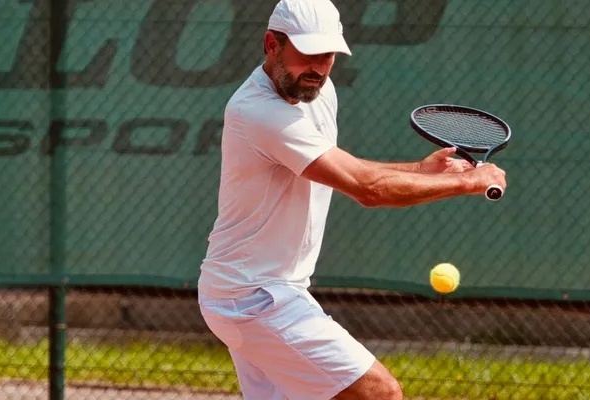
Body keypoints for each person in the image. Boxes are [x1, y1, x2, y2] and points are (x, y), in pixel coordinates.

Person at [197, 0, 507, 399]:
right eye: (306, 54)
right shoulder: (258, 111)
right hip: (253, 297)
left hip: (266, 291)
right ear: (271, 44)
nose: (318, 68)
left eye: (327, 56)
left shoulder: (317, 93)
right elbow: (367, 189)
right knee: (379, 392)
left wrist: (420, 170)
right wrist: (468, 182)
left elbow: (342, 166)